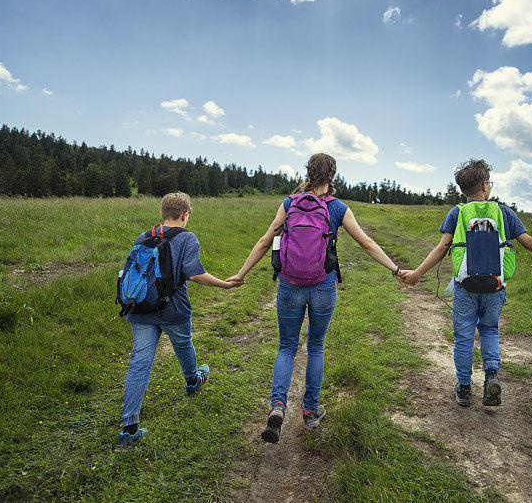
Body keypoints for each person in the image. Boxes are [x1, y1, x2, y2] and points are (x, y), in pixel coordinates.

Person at [225, 153, 407, 443]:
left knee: (286, 346)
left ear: (307, 172)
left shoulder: (290, 204)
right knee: (316, 345)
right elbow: (367, 243)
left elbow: (264, 241)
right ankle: (310, 412)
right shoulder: (338, 208)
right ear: (333, 175)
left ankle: (277, 407)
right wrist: (396, 270)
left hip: (289, 285)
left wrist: (240, 273)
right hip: (324, 287)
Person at [400, 159, 532, 407]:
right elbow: (528, 241)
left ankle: (464, 387)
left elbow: (441, 248)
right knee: (489, 329)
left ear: (464, 189)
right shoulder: (503, 213)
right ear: (484, 186)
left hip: (465, 287)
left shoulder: (457, 213)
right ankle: (491, 375)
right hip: (495, 286)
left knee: (463, 336)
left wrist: (417, 273)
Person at [115, 192, 242, 451]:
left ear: (162, 213)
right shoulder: (187, 238)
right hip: (174, 309)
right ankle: (192, 381)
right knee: (184, 346)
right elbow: (195, 274)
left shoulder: (144, 236)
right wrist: (225, 285)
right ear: (185, 215)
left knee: (139, 363)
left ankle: (129, 430)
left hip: (140, 307)